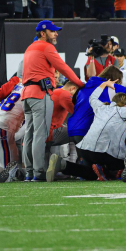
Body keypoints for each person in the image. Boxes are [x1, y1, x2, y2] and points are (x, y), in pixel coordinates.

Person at [21, 21, 84, 181]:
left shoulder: (30, 47)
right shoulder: (46, 47)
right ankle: (38, 172)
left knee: (29, 135)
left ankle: (29, 172)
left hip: (27, 94)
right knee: (39, 135)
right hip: (40, 93)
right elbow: (63, 68)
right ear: (43, 33)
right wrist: (80, 84)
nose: (56, 34)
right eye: (52, 31)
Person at [46, 80, 126, 181]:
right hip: (103, 152)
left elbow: (92, 97)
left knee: (91, 173)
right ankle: (124, 170)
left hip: (85, 149)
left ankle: (63, 164)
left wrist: (103, 84)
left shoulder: (100, 107)